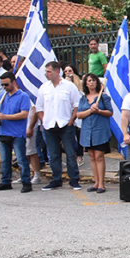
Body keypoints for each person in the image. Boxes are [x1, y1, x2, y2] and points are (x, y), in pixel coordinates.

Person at [36, 61, 81, 191]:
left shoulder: (69, 86)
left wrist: (72, 120)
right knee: (54, 154)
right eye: (45, 71)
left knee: (70, 153)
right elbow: (39, 107)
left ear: (57, 72)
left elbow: (76, 104)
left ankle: (74, 179)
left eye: (49, 71)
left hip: (66, 124)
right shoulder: (44, 88)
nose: (46, 74)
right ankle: (56, 179)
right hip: (49, 125)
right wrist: (43, 120)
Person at [0, 72, 33, 192]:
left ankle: (26, 182)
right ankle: (6, 181)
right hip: (4, 131)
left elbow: (24, 114)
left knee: (21, 159)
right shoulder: (3, 95)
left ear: (13, 82)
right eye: (2, 85)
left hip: (17, 133)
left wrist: (5, 116)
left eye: (6, 84)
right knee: (5, 159)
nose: (4, 87)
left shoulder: (23, 96)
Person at [78, 73, 113, 193]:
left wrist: (99, 111)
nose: (91, 82)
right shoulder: (83, 98)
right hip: (87, 132)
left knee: (99, 156)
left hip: (100, 131)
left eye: (93, 80)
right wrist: (90, 110)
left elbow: (110, 112)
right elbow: (79, 115)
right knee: (92, 156)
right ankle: (96, 181)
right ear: (86, 83)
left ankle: (101, 184)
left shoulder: (103, 97)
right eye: (89, 81)